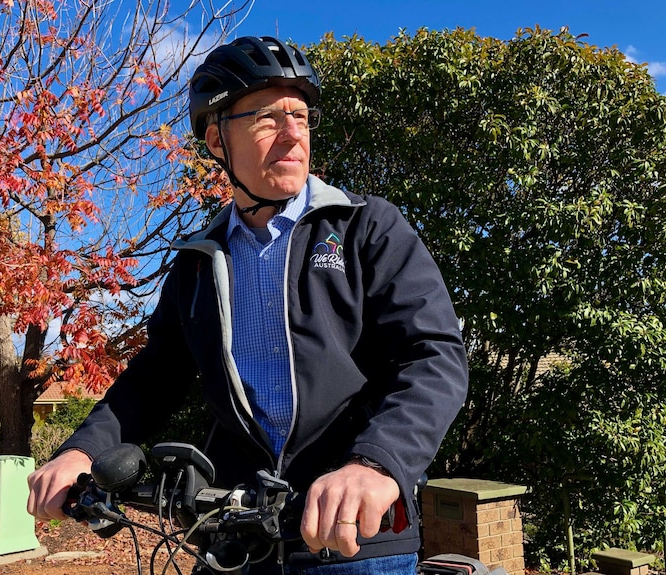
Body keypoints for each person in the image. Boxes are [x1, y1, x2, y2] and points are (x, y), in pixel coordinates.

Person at [28, 36, 468, 575]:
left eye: (301, 116)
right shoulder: (197, 262)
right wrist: (82, 451)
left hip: (352, 539)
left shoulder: (366, 227)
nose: (291, 133)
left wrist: (375, 464)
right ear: (216, 139)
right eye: (266, 117)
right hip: (235, 535)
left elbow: (434, 357)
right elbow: (155, 376)